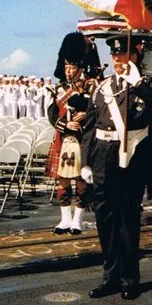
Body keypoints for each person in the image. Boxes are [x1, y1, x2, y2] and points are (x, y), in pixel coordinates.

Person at [82, 35, 152, 301]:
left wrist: (139, 85)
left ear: (135, 55)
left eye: (124, 55)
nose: (118, 60)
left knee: (127, 219)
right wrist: (86, 161)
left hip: (132, 157)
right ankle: (110, 275)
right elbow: (90, 126)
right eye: (115, 56)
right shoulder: (101, 88)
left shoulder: (149, 85)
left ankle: (129, 278)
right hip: (102, 157)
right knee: (105, 219)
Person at [46, 33, 95, 235]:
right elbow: (51, 113)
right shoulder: (58, 89)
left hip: (83, 140)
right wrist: (65, 126)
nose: (68, 71)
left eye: (72, 67)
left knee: (82, 183)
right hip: (63, 138)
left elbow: (97, 112)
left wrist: (85, 116)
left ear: (80, 68)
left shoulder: (91, 88)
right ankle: (65, 219)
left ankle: (78, 220)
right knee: (63, 181)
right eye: (66, 67)